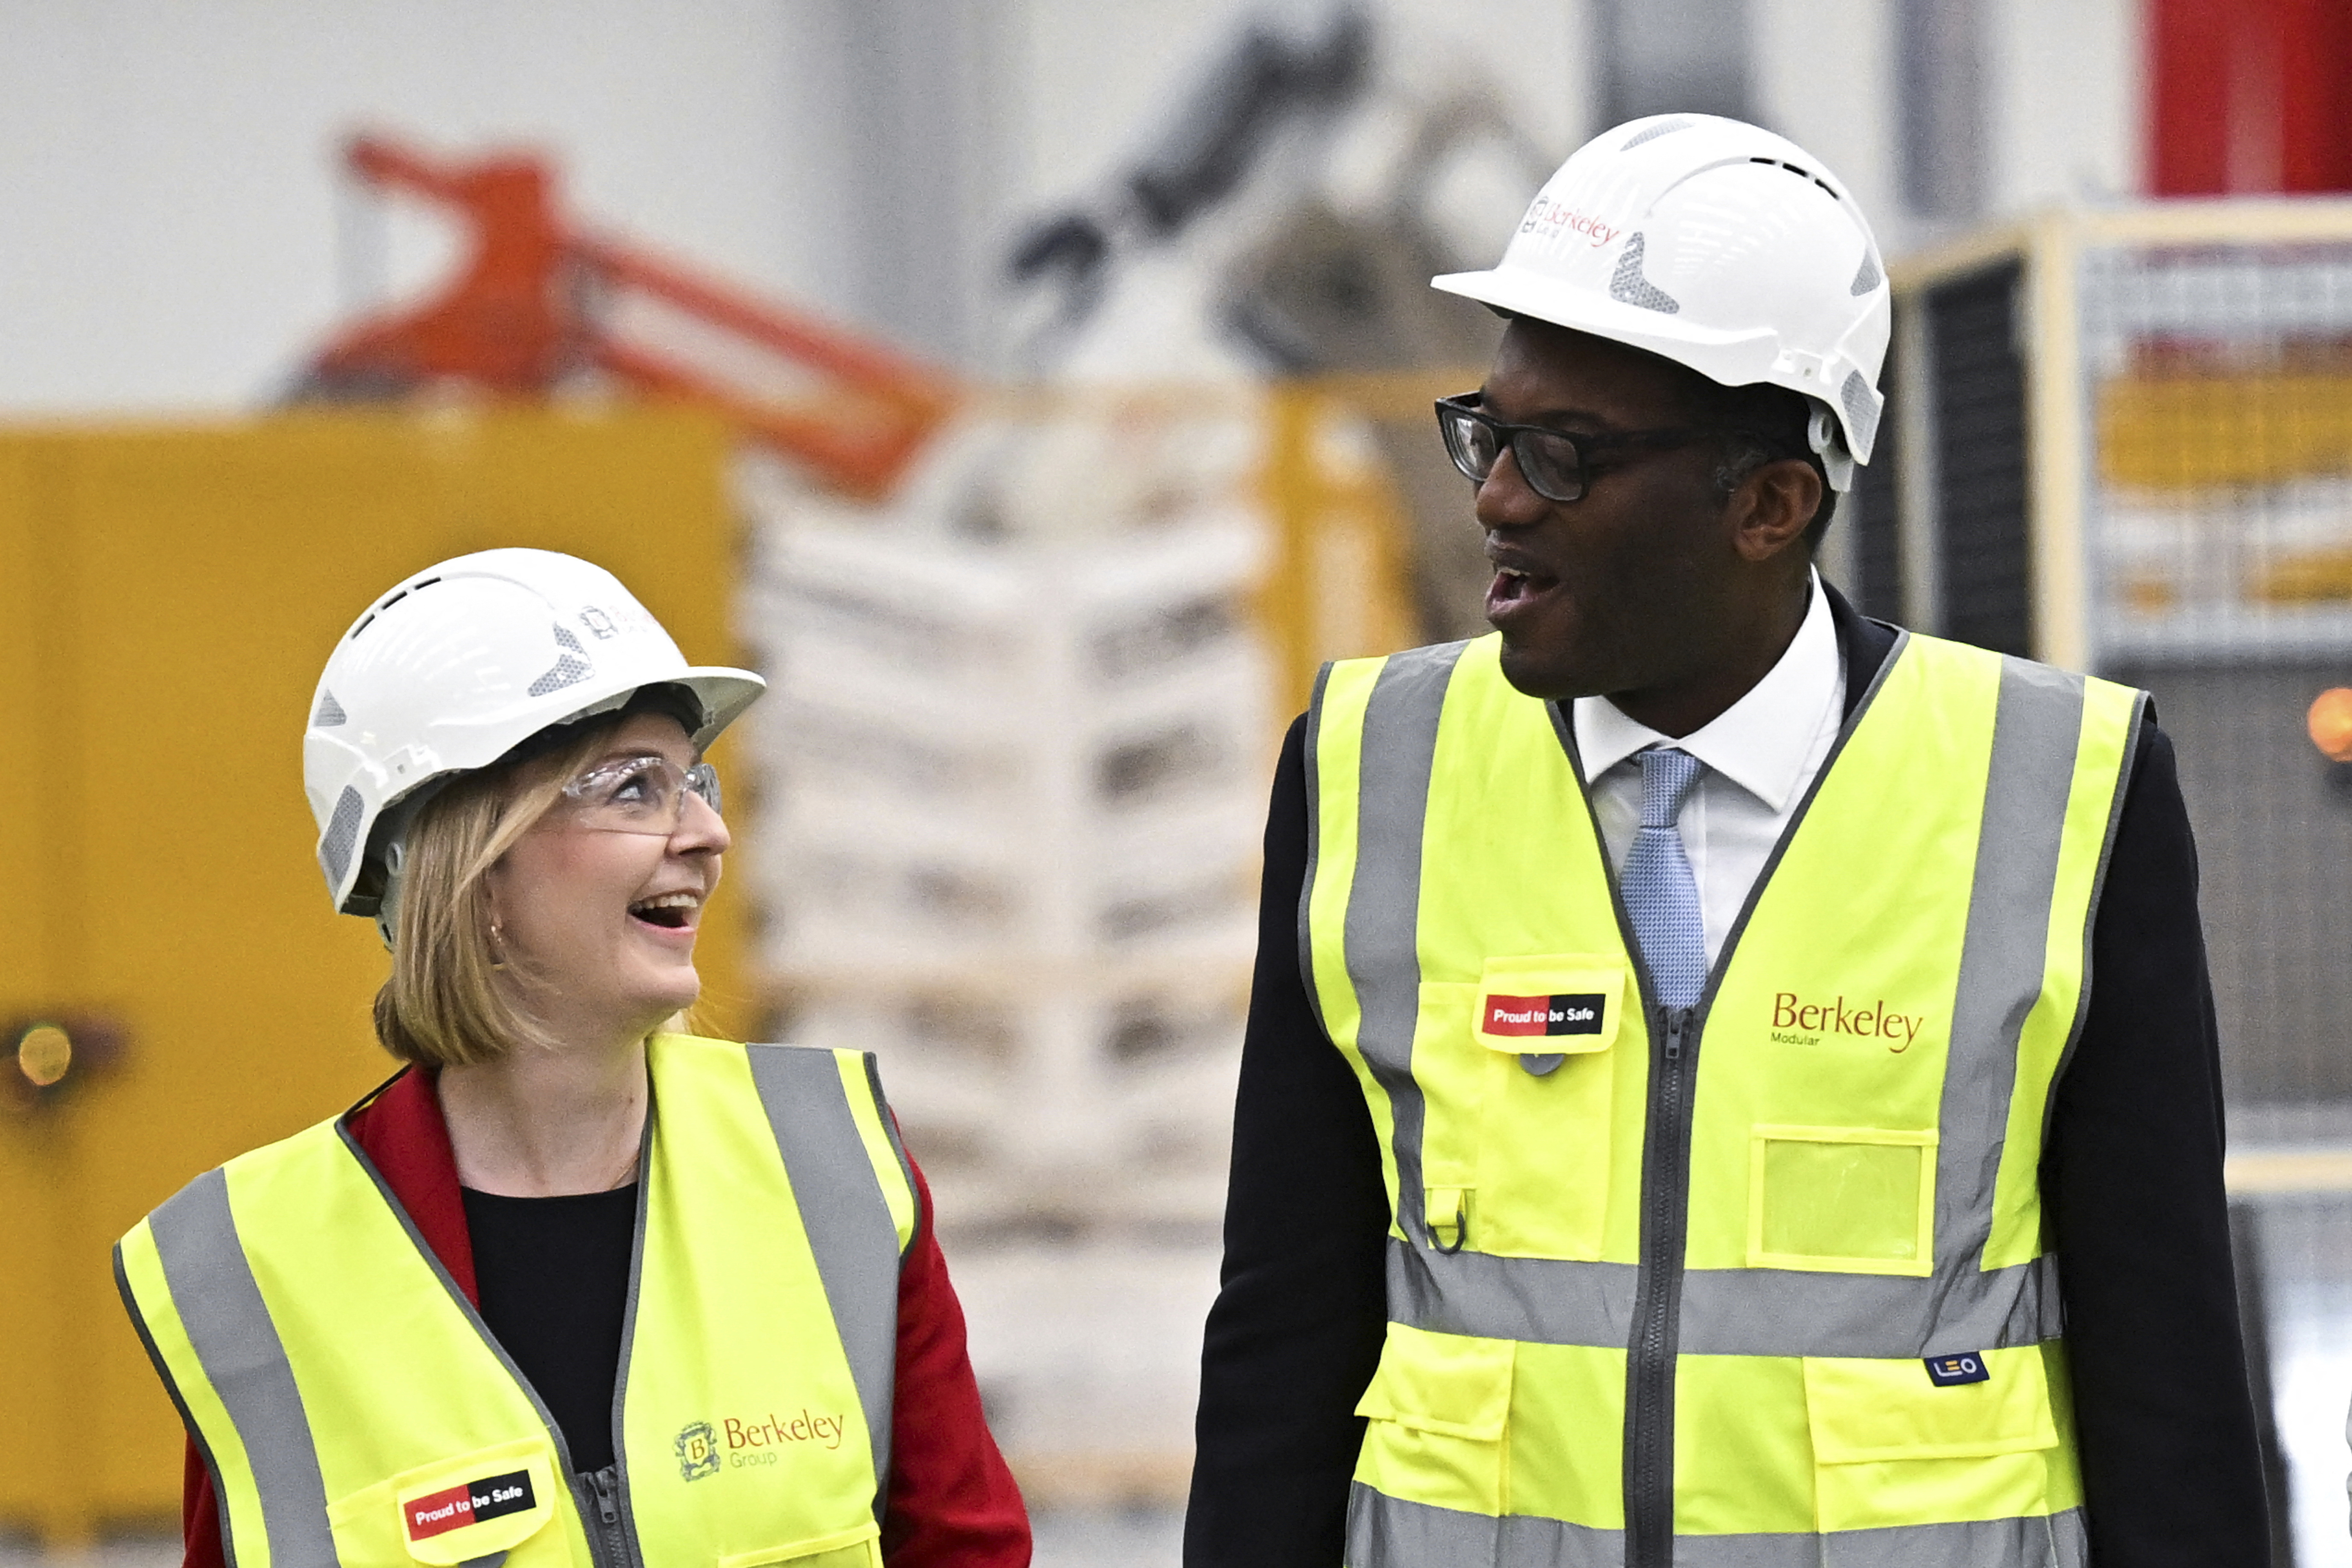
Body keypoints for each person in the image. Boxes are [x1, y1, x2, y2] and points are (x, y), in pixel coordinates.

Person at [1185, 116, 2270, 1567]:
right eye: (1489, 434)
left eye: (1563, 455)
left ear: (1771, 504)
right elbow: (1284, 1335)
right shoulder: (1371, 769)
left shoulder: (2061, 793)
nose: (1497, 497)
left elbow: (2168, 1379)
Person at [116, 548, 1029, 1568]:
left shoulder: (834, 1170)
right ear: (476, 863)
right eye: (637, 788)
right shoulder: (254, 1269)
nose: (710, 833)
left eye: (696, 782)